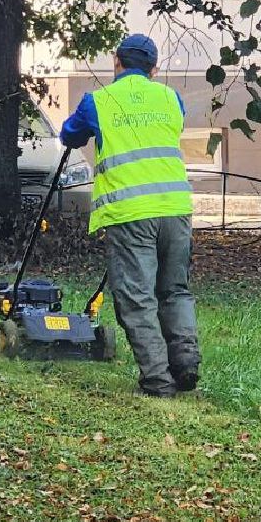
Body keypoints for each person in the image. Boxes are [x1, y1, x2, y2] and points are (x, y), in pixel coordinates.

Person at [60, 34, 198, 397]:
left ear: (116, 61)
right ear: (154, 68)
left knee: (137, 298)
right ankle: (185, 364)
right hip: (175, 210)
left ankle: (157, 379)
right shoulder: (172, 99)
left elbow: (69, 134)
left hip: (130, 214)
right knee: (175, 290)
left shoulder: (98, 102)